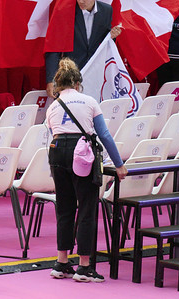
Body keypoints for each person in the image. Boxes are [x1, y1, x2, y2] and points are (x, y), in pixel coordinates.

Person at [45, 58, 128, 283]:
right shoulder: (89, 101)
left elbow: (51, 133)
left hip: (57, 151)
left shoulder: (53, 106)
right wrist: (119, 164)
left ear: (59, 83)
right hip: (81, 153)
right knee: (87, 209)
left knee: (65, 209)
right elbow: (104, 134)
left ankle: (61, 262)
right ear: (78, 83)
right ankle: (84, 266)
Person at [43, 0, 119, 98]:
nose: (81, 0)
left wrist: (112, 35)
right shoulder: (66, 12)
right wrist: (51, 80)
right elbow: (54, 47)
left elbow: (105, 41)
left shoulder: (106, 11)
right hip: (70, 73)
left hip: (95, 72)